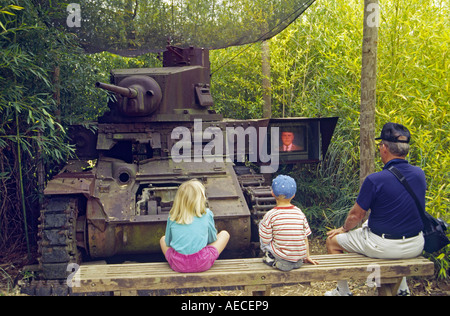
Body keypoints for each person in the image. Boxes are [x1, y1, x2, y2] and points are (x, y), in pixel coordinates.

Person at [325, 123, 426, 296]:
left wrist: (343, 229)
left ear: (385, 148)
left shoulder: (375, 179)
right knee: (379, 226)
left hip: (383, 246)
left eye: (380, 145)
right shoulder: (419, 174)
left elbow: (356, 215)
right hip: (415, 245)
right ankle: (402, 289)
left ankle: (342, 291)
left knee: (332, 241)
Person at [160, 179, 230, 273]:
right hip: (202, 262)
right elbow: (212, 239)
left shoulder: (172, 215)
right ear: (201, 198)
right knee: (224, 234)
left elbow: (168, 242)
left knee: (162, 239)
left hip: (178, 264)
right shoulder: (207, 214)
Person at [259, 175, 319, 271]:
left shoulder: (270, 215)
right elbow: (305, 238)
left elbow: (266, 240)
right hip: (299, 259)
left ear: (272, 193)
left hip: (282, 257)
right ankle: (294, 261)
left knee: (262, 224)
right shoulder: (300, 212)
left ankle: (271, 257)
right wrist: (307, 256)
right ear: (293, 195)